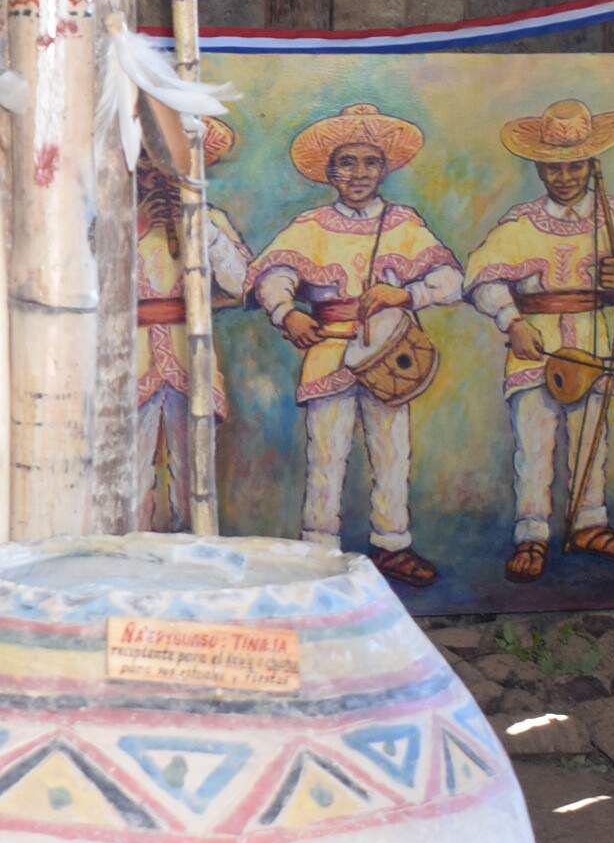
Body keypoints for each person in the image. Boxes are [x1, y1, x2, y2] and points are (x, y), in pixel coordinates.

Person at [251, 104, 463, 588]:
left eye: (370, 162)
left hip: (390, 354)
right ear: (330, 170)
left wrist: (407, 294)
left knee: (392, 450)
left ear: (385, 168)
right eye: (347, 162)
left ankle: (392, 544)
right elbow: (275, 276)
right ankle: (318, 550)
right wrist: (288, 312)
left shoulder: (404, 222)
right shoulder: (311, 225)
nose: (359, 173)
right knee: (326, 453)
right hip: (328, 350)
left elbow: (450, 279)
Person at [463, 99, 614, 582]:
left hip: (593, 350)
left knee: (591, 441)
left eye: (575, 165)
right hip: (537, 348)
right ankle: (532, 533)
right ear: (539, 168)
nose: (564, 176)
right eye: (554, 168)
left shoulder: (613, 216)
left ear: (592, 165)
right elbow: (481, 278)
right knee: (534, 444)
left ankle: (589, 525)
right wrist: (512, 321)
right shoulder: (522, 221)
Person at [135, 118, 254, 534]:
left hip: (192, 359)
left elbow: (241, 282)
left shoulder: (209, 218)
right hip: (132, 363)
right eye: (146, 162)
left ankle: (193, 548)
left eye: (165, 162)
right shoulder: (116, 221)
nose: (155, 173)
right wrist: (136, 229)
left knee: (194, 471)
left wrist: (197, 224)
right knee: (131, 473)